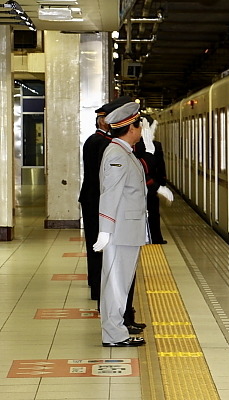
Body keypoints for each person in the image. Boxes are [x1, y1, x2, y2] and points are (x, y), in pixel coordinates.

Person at [93, 101, 147, 347]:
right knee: (116, 284)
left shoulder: (123, 152)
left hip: (126, 229)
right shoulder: (117, 154)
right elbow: (110, 194)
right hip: (119, 231)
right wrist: (105, 231)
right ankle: (114, 335)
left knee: (119, 283)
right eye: (139, 125)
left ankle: (116, 331)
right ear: (131, 128)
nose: (141, 129)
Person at [78, 96, 131, 301]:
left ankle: (95, 284)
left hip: (91, 199)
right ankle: (99, 289)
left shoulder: (95, 140)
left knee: (94, 244)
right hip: (96, 201)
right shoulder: (102, 143)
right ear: (102, 121)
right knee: (99, 246)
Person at [134, 115, 173, 244]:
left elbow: (160, 165)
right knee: (149, 211)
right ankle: (151, 237)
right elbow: (146, 167)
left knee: (151, 211)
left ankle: (152, 237)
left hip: (149, 183)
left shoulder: (150, 145)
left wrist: (161, 183)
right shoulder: (143, 146)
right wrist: (160, 184)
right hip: (147, 183)